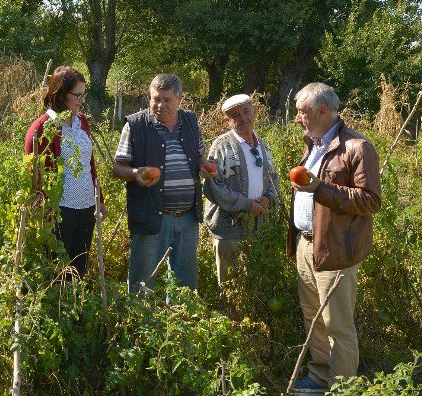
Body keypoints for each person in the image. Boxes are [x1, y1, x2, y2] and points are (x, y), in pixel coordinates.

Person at [288, 82, 381, 392]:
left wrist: (319, 189)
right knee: (313, 315)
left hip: (336, 246)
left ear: (322, 111)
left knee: (337, 324)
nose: (298, 117)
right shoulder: (313, 143)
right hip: (306, 243)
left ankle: (342, 387)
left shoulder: (356, 146)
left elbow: (369, 200)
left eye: (301, 112)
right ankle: (319, 376)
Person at [113, 73, 208, 294]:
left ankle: (180, 325)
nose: (159, 105)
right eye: (155, 99)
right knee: (142, 283)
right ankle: (141, 323)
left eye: (166, 100)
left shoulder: (190, 121)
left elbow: (201, 157)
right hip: (151, 215)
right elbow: (118, 168)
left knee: (184, 285)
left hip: (187, 218)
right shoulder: (136, 125)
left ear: (180, 99)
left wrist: (204, 167)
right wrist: (136, 173)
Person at [24, 66, 106, 278]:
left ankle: (76, 308)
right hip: (60, 212)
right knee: (58, 271)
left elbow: (90, 163)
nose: (82, 100)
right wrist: (44, 211)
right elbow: (35, 176)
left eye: (83, 94)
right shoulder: (42, 128)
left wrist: (100, 199)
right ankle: (58, 310)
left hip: (86, 207)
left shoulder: (82, 121)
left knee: (79, 268)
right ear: (60, 94)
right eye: (77, 95)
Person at [203, 94, 279, 285]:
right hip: (228, 227)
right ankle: (230, 315)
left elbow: (273, 178)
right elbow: (214, 186)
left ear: (254, 113)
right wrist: (246, 205)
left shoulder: (263, 145)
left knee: (256, 280)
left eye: (246, 111)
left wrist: (268, 199)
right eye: (235, 115)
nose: (243, 118)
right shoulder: (221, 146)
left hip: (258, 224)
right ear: (228, 121)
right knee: (230, 283)